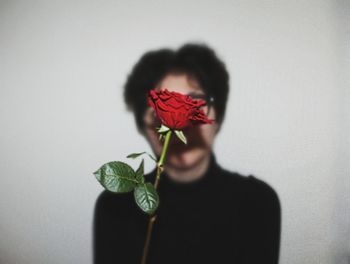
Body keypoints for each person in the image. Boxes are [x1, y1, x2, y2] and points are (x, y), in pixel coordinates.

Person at [93, 43, 281, 264]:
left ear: (217, 116)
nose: (183, 121)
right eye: (163, 107)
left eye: (195, 103)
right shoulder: (116, 206)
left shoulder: (256, 204)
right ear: (145, 124)